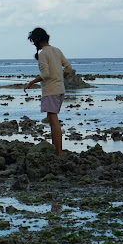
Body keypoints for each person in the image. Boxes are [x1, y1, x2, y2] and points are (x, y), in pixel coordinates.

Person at [23, 28, 72, 156]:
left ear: (37, 40)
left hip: (50, 91)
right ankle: (56, 150)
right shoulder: (56, 50)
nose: (33, 43)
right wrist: (60, 78)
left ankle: (59, 153)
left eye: (33, 41)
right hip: (60, 89)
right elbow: (68, 67)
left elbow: (45, 74)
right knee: (51, 119)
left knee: (54, 121)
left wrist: (31, 83)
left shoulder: (43, 53)